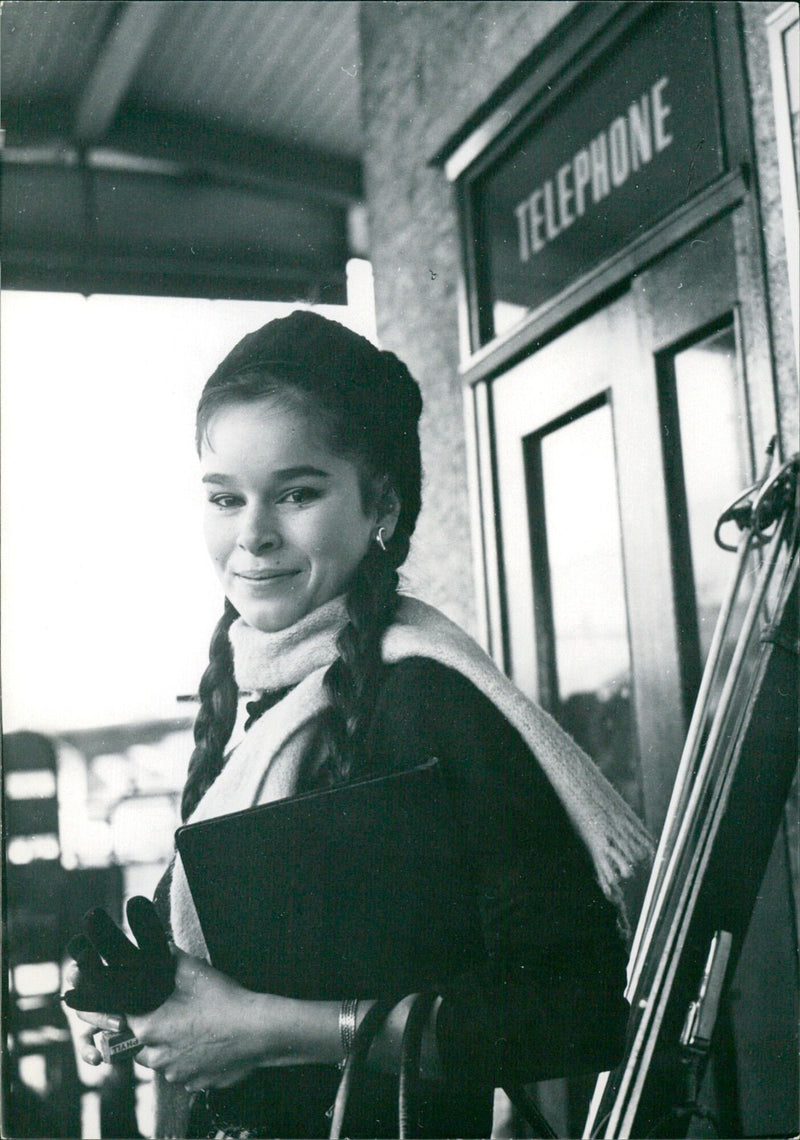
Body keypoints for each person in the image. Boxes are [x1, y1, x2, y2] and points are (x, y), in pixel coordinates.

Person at [69, 311, 652, 1139]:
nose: (253, 534)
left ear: (380, 502)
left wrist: (266, 1030)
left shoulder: (429, 699)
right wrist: (125, 1002)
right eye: (225, 498)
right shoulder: (270, 703)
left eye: (297, 493)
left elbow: (578, 1008)